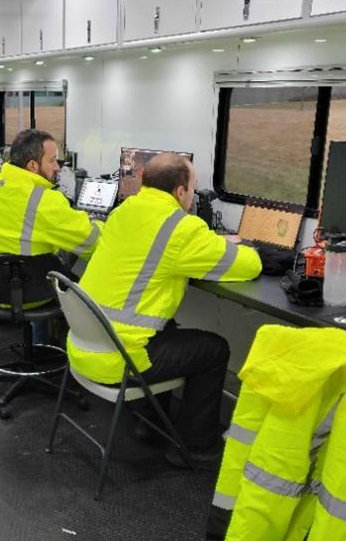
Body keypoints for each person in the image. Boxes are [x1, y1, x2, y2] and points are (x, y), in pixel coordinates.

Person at [67, 153, 261, 468]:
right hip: (120, 360)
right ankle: (196, 447)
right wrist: (243, 247)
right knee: (213, 349)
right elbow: (247, 266)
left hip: (85, 346)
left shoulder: (123, 211)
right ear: (181, 192)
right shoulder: (180, 227)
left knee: (165, 327)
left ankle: (148, 422)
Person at [0, 129, 103, 337]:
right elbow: (93, 242)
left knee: (46, 256)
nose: (57, 167)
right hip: (33, 293)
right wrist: (97, 222)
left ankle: (40, 342)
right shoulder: (44, 200)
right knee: (80, 258)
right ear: (32, 165)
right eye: (53, 160)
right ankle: (72, 343)